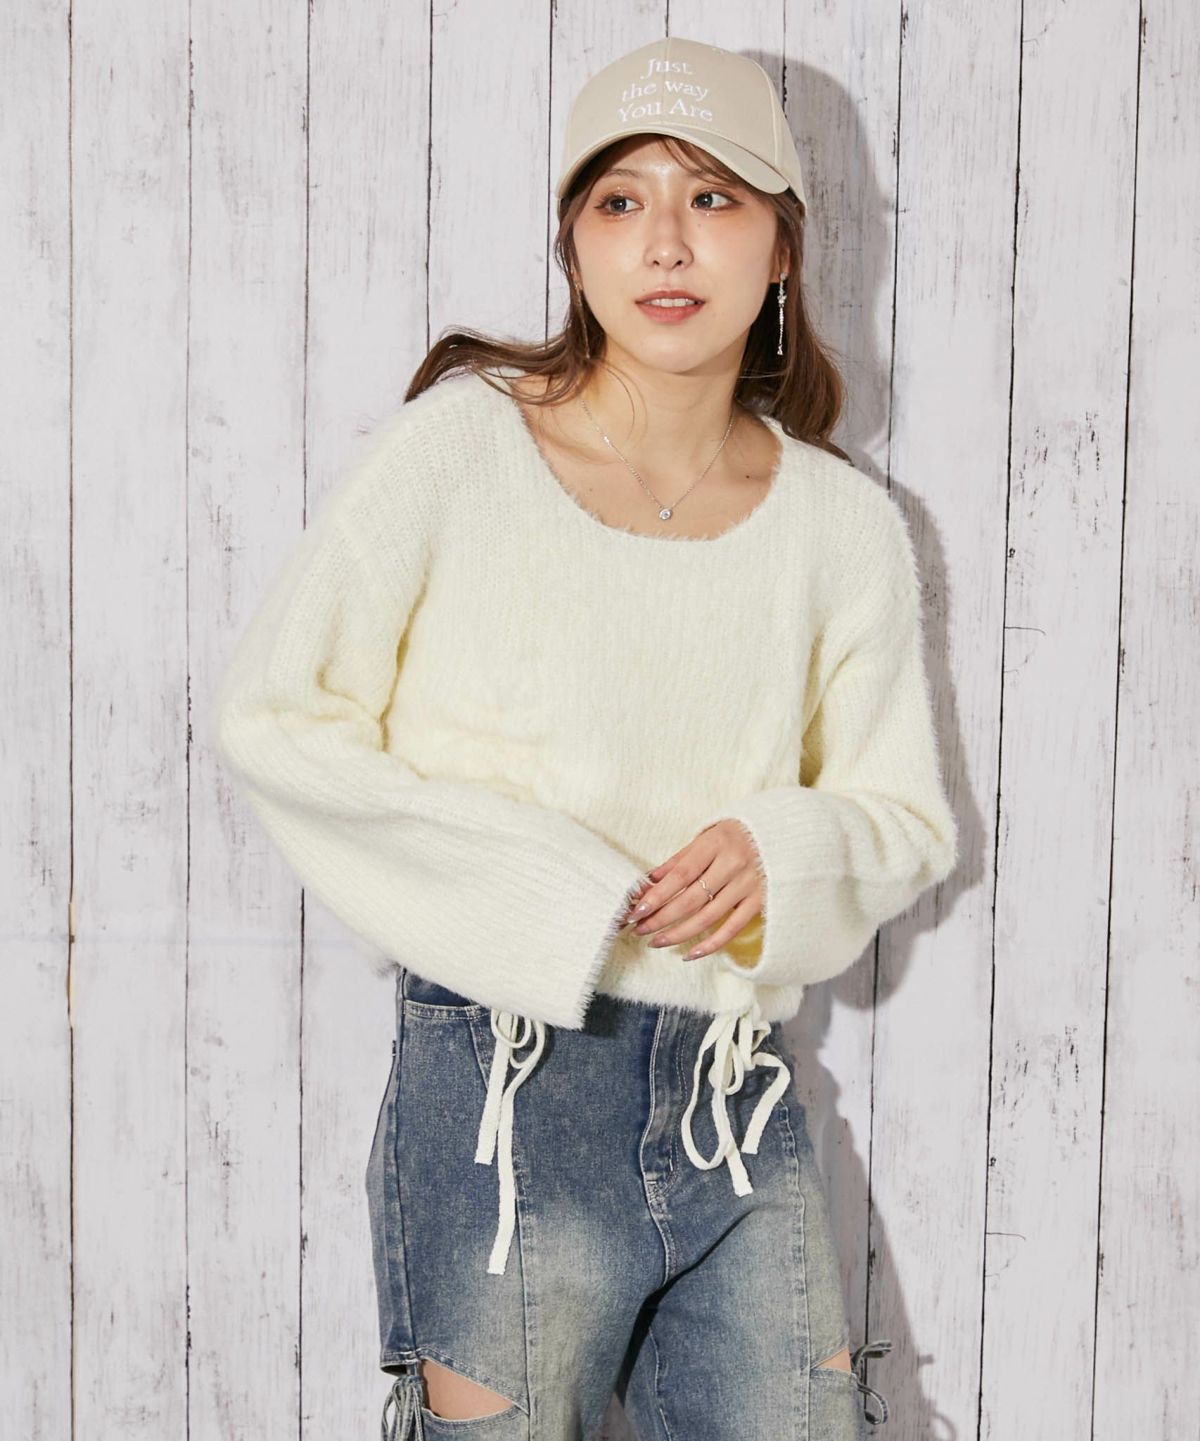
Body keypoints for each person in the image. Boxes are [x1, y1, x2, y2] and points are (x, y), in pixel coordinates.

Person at [213, 34, 956, 1441]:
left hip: (734, 1096)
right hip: (500, 1091)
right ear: (574, 241)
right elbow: (276, 717)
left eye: (713, 197)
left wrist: (782, 851)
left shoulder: (843, 525)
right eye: (620, 200)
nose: (665, 242)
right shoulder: (461, 449)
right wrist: (541, 889)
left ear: (782, 247)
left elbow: (904, 817)